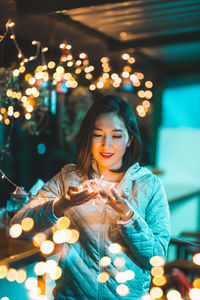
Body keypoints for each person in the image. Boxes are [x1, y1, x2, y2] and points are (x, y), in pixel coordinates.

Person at [11, 95, 170, 300]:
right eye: (98, 135)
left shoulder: (150, 186)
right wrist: (61, 205)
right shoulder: (69, 178)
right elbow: (19, 226)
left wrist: (127, 215)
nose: (106, 145)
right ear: (89, 136)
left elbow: (156, 259)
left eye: (116, 136)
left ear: (130, 139)